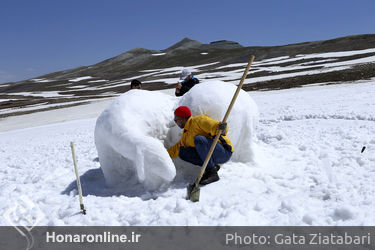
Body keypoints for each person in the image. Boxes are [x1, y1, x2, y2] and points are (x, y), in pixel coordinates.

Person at [167, 106, 233, 185]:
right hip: (212, 155)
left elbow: (217, 126)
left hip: (224, 152)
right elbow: (176, 149)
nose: (175, 122)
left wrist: (222, 127)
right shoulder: (186, 134)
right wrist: (163, 154)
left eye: (176, 119)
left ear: (182, 118)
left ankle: (212, 173)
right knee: (183, 152)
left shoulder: (198, 121)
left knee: (199, 140)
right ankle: (212, 167)